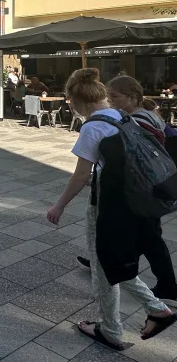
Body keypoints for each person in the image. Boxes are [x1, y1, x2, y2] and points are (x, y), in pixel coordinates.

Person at [47, 68, 175, 350]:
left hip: (108, 205)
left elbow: (81, 176)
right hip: (133, 202)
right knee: (110, 262)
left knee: (106, 264)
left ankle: (145, 314)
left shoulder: (92, 126)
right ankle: (118, 323)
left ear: (76, 101)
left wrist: (59, 204)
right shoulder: (120, 115)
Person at [74, 75, 177, 301]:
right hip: (153, 185)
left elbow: (137, 159)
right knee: (146, 236)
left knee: (150, 238)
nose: (110, 101)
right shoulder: (145, 114)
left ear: (133, 97)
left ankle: (167, 286)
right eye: (108, 96)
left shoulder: (138, 120)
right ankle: (105, 263)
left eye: (115, 97)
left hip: (144, 188)